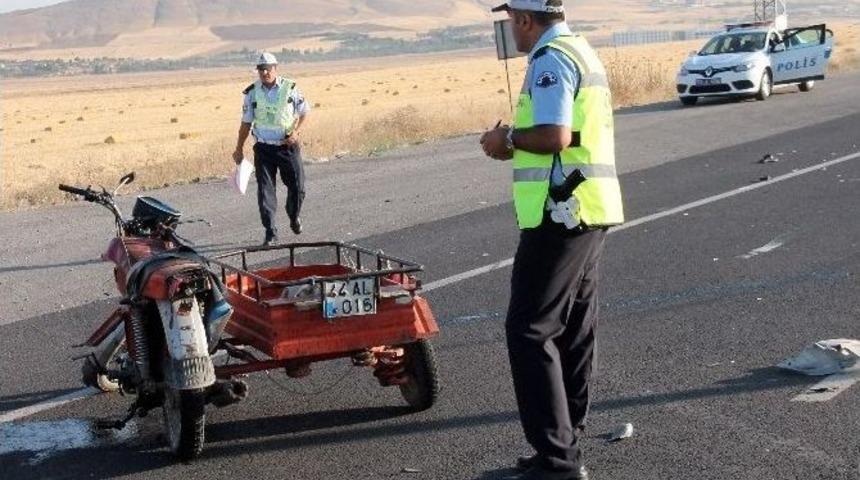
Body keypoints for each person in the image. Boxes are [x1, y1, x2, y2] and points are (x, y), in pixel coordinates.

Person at [481, 1, 625, 479]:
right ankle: (566, 442)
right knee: (575, 326)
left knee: (529, 329)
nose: (510, 29)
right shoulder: (581, 49)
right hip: (590, 206)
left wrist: (507, 141)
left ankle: (557, 460)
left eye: (510, 20)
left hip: (559, 211)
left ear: (524, 20)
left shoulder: (550, 58)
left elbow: (554, 135)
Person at [233, 52, 310, 245]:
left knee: (298, 188)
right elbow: (245, 123)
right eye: (261, 69)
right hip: (263, 149)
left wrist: (296, 133)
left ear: (276, 68)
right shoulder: (252, 93)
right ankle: (270, 232)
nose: (264, 72)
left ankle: (293, 216)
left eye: (268, 68)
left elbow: (304, 112)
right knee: (265, 192)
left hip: (287, 147)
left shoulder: (290, 88)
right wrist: (239, 148)